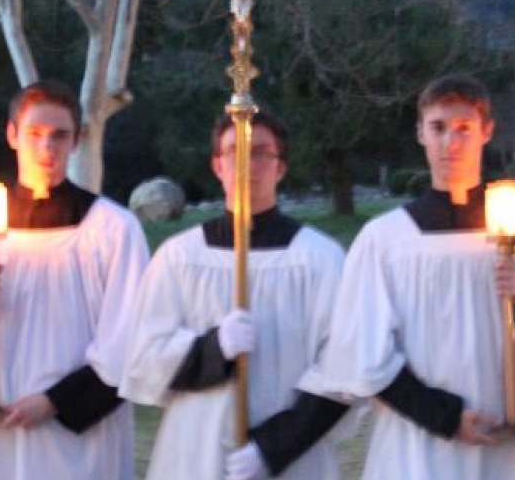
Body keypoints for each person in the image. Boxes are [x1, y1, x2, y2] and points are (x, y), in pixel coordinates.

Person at [310, 74, 515, 480]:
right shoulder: (386, 239)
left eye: (464, 128)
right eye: (438, 128)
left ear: (487, 132)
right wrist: (443, 418)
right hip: (419, 439)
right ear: (420, 134)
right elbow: (362, 351)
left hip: (506, 433)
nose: (451, 142)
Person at [0, 81, 149, 480]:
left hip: (80, 427)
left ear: (77, 140)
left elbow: (130, 338)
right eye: (34, 135)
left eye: (60, 136)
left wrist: (54, 402)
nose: (47, 150)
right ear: (11, 135)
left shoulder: (112, 229)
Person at [120, 112, 351, 480]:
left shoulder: (320, 259)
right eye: (234, 152)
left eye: (261, 152)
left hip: (291, 458)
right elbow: (144, 357)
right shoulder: (180, 257)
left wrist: (273, 447)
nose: (247, 164)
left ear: (281, 167)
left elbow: (342, 371)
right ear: (217, 165)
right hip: (196, 451)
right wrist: (213, 349)